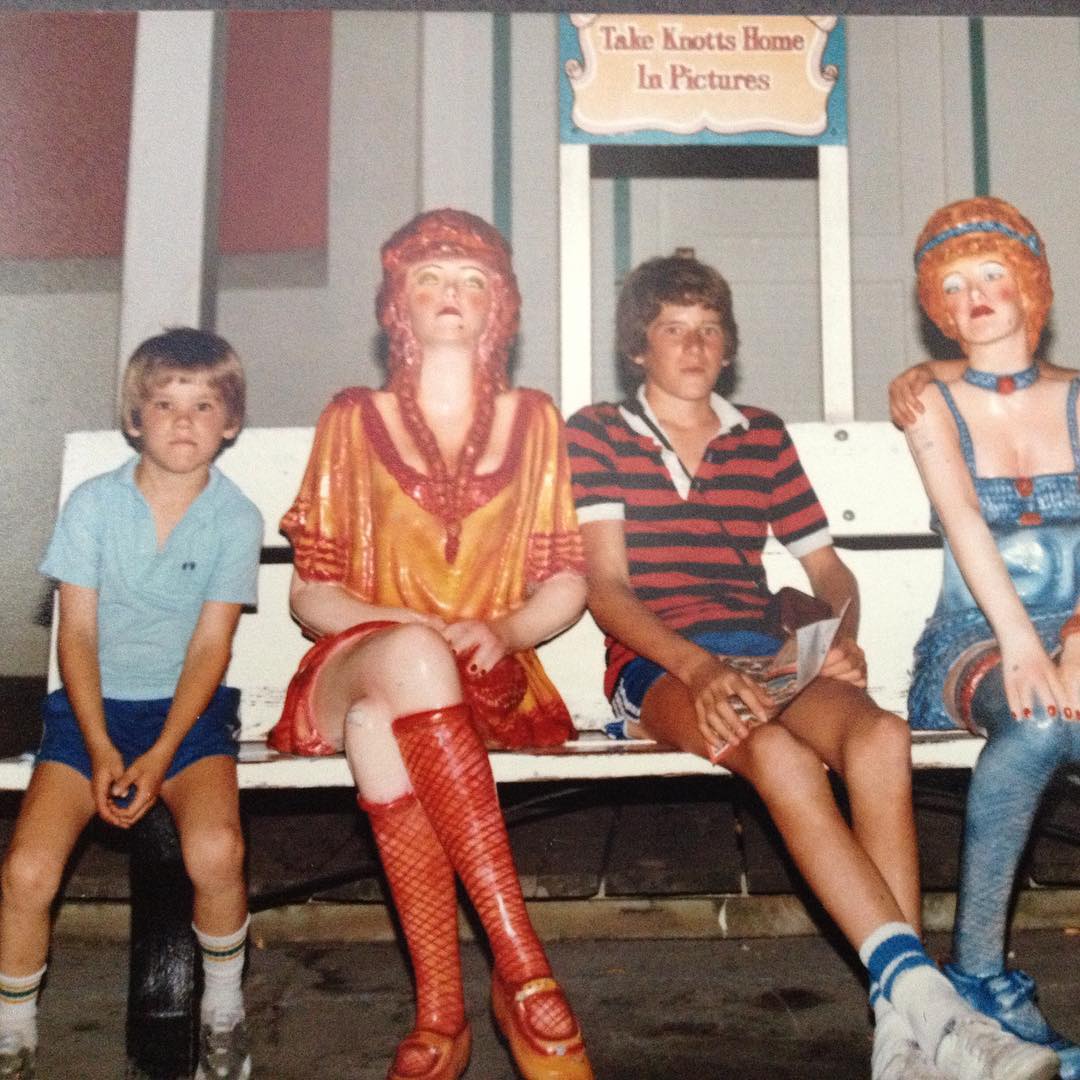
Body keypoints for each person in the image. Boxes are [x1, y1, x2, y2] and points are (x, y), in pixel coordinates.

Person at [565, 253, 1060, 1080]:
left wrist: (835, 637)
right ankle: (936, 1008)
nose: (694, 346)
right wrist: (698, 669)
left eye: (709, 330)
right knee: (778, 754)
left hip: (768, 653)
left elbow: (829, 572)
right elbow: (607, 589)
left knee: (880, 736)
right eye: (672, 330)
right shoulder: (600, 432)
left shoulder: (759, 435)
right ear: (637, 348)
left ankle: (900, 1036)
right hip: (663, 666)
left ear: (729, 346)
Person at [267, 209, 593, 1080]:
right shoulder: (353, 417)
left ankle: (442, 1013)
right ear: (397, 306)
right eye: (430, 280)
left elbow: (566, 576)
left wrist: (507, 630)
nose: (452, 294)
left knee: (380, 727)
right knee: (407, 664)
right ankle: (523, 968)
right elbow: (312, 594)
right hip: (353, 660)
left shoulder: (535, 420)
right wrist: (408, 629)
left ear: (500, 308)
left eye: (472, 281)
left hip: (487, 682)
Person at [0, 329, 263, 1080]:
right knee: (26, 871)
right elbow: (77, 635)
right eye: (165, 404)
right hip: (90, 714)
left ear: (230, 422)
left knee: (216, 850)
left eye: (203, 405)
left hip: (187, 718)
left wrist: (158, 753)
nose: (183, 421)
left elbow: (210, 647)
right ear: (134, 418)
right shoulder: (94, 505)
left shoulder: (234, 517)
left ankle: (222, 1013)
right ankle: (13, 1033)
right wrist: (102, 746)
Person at [888, 196, 1080, 1079]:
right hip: (975, 637)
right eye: (955, 286)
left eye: (992, 275)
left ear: (1030, 284)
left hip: (1074, 631)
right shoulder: (932, 401)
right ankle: (978, 977)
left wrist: (1074, 635)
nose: (976, 297)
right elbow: (964, 520)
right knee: (1039, 721)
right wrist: (1024, 645)